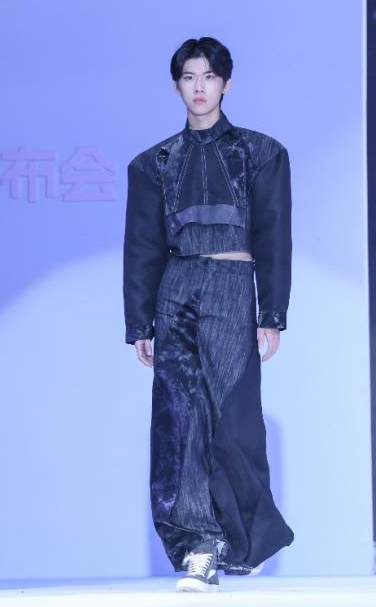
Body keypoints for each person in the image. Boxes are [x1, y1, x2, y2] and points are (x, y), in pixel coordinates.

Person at [123, 37, 293, 593]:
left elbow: (274, 236)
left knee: (233, 420)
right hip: (176, 288)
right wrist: (139, 321)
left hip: (231, 287)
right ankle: (198, 546)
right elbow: (142, 245)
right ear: (176, 85)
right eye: (189, 77)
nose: (199, 87)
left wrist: (272, 311)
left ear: (226, 83)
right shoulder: (153, 163)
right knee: (180, 420)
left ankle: (244, 537)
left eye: (209, 76)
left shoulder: (260, 153)